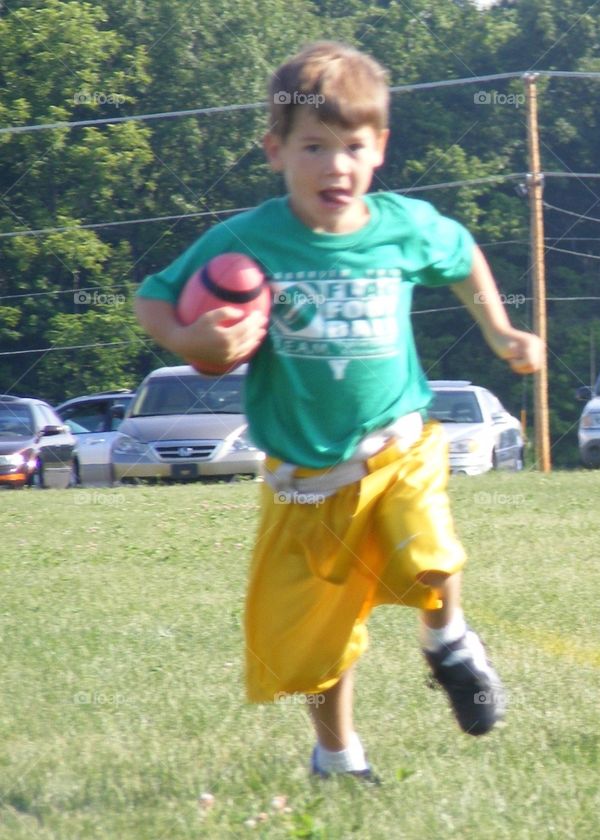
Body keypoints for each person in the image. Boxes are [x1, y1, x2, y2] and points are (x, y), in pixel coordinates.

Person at [134, 41, 543, 779]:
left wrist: (499, 329)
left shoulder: (401, 226)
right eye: (314, 147)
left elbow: (460, 254)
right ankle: (338, 757)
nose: (336, 166)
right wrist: (190, 337)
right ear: (275, 151)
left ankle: (450, 642)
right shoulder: (248, 238)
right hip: (304, 478)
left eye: (353, 146)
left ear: (379, 148)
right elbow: (153, 295)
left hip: (397, 447)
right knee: (323, 642)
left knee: (432, 553)